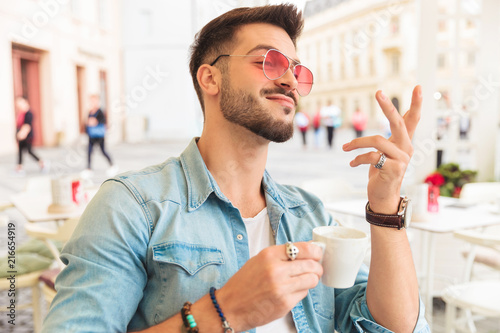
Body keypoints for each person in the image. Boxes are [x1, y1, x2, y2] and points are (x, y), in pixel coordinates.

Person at [42, 5, 429, 333]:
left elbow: (391, 325)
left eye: (297, 70)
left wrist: (385, 206)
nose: (290, 79)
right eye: (269, 61)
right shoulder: (131, 206)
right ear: (210, 77)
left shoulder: (309, 214)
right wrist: (223, 311)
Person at [85, 94, 116, 175]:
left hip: (99, 136)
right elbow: (87, 123)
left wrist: (95, 121)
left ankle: (112, 165)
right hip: (92, 135)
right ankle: (89, 168)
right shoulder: (90, 112)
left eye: (94, 101)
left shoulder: (100, 111)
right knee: (89, 151)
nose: (92, 103)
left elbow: (103, 121)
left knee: (103, 151)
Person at [14, 96, 47, 174]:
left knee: (29, 151)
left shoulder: (28, 113)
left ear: (25, 102)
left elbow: (27, 125)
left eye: (20, 102)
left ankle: (42, 163)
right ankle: (19, 168)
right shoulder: (20, 113)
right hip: (21, 136)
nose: (18, 105)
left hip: (27, 136)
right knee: (20, 151)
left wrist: (22, 134)